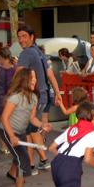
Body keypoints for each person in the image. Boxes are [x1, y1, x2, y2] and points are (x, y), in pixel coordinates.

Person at [15, 25, 61, 172]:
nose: (21, 40)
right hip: (44, 96)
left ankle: (32, 163)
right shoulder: (39, 52)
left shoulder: (26, 53)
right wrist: (58, 93)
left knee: (29, 131)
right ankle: (40, 160)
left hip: (33, 98)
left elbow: (18, 77)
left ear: (32, 37)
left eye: (24, 36)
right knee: (32, 129)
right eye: (19, 36)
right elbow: (50, 74)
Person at [0, 68, 52, 187]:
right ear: (24, 80)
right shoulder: (15, 97)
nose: (35, 80)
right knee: (23, 160)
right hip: (7, 131)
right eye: (32, 78)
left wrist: (42, 125)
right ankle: (19, 183)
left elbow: (32, 118)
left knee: (19, 155)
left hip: (20, 132)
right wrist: (12, 136)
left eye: (35, 78)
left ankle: (11, 174)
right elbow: (4, 118)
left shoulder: (34, 97)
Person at [50, 101, 94, 187]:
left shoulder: (71, 129)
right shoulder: (93, 134)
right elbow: (88, 158)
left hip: (56, 164)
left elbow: (52, 147)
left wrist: (63, 159)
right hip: (70, 168)